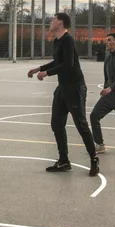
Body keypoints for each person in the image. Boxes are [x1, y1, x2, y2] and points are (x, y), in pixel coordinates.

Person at [27, 13, 99, 177]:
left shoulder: (68, 40)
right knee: (56, 124)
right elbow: (58, 61)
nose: (50, 22)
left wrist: (47, 73)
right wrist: (39, 68)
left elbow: (68, 64)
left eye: (53, 19)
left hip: (75, 87)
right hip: (63, 88)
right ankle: (64, 161)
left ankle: (94, 159)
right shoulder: (57, 41)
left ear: (60, 23)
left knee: (81, 124)